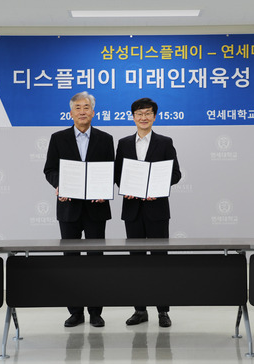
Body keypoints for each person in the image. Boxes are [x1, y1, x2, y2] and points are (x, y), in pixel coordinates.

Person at [43, 91, 114, 328]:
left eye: (87, 107)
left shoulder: (105, 139)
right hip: (68, 208)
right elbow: (50, 169)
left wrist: (104, 191)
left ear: (93, 112)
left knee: (96, 260)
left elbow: (110, 171)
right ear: (71, 113)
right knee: (70, 260)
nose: (82, 112)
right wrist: (58, 184)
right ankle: (75, 311)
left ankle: (95, 311)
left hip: (96, 209)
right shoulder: (58, 138)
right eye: (78, 108)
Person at [114, 97, 182, 328]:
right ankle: (139, 310)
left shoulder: (165, 142)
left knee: (160, 261)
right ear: (132, 117)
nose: (143, 117)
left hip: (157, 210)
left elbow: (175, 174)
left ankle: (163, 311)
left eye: (148, 113)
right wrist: (127, 188)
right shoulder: (123, 143)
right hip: (132, 210)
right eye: (139, 113)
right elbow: (117, 174)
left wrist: (158, 189)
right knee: (136, 262)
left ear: (155, 116)